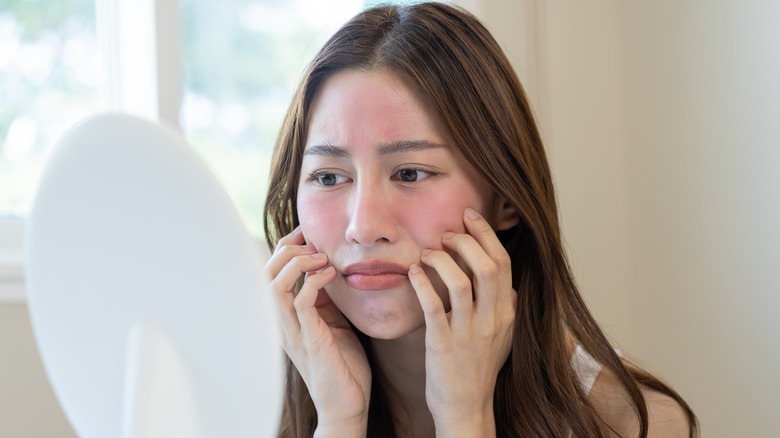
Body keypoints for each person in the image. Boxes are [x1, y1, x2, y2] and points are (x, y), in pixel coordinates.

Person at [263, 2, 697, 437]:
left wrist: (464, 418)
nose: (363, 226)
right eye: (328, 177)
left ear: (505, 198)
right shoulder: (250, 407)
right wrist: (339, 419)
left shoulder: (634, 424)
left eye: (410, 173)